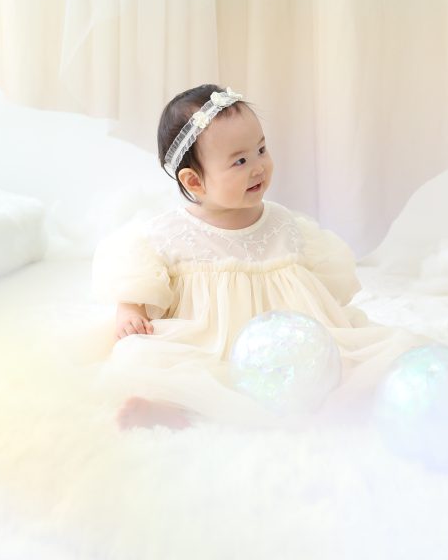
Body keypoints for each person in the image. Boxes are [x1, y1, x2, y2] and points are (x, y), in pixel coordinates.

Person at [92, 84, 425, 430]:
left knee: (370, 357)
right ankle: (172, 410)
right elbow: (139, 275)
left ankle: (337, 400)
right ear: (194, 182)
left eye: (261, 150)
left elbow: (322, 292)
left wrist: (328, 322)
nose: (258, 167)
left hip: (285, 351)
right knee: (140, 356)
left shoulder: (284, 224)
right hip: (207, 345)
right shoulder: (170, 233)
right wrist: (130, 310)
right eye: (240, 161)